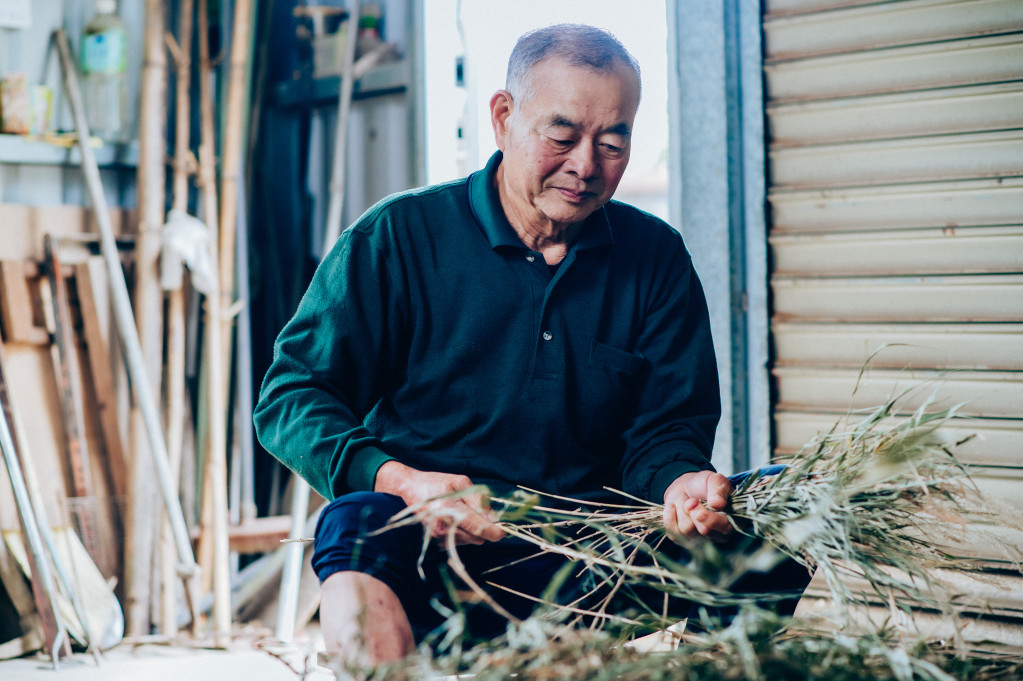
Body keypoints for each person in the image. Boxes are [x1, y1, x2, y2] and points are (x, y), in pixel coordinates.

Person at [254, 23, 806, 669]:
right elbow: (291, 394)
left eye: (612, 140)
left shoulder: (654, 258)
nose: (585, 166)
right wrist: (404, 481)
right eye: (562, 135)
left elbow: (664, 434)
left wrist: (682, 483)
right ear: (502, 116)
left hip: (588, 557)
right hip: (439, 544)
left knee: (774, 522)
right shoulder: (399, 237)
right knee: (355, 522)